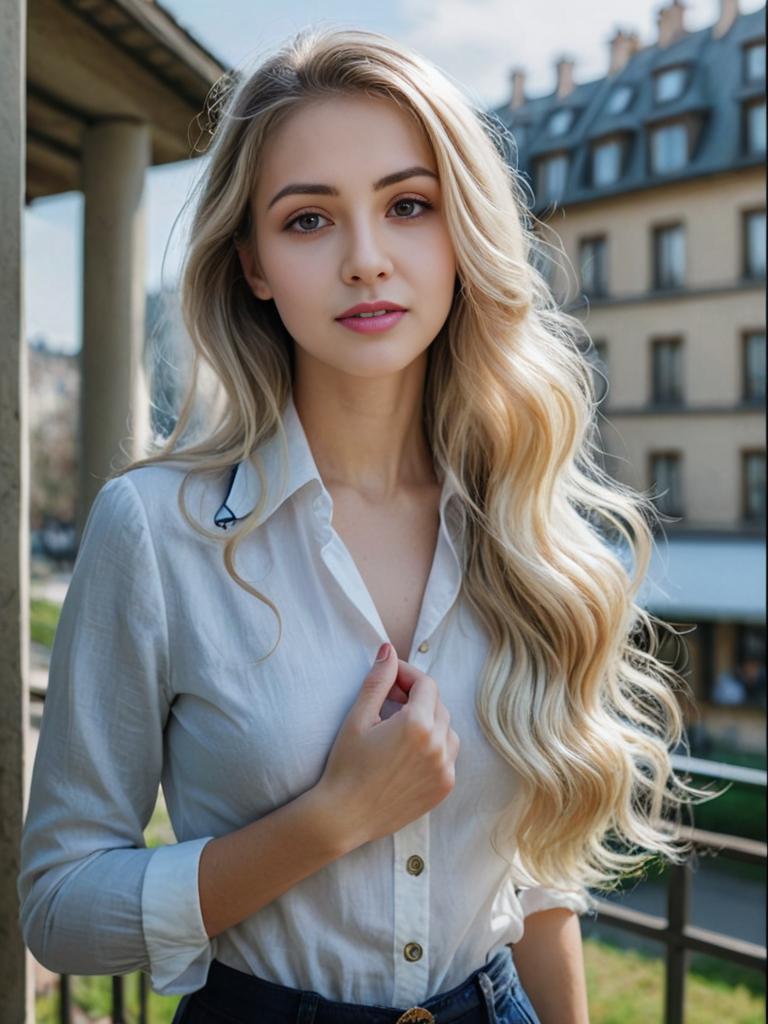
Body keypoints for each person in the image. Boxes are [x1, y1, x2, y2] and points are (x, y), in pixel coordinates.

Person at [18, 26, 715, 1024]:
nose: (367, 260)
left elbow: (539, 886)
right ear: (252, 261)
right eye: (308, 221)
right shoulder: (156, 531)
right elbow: (58, 908)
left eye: (409, 205)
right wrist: (332, 819)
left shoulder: (522, 519)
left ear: (460, 230)